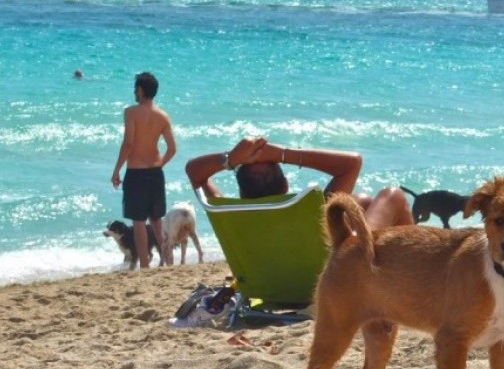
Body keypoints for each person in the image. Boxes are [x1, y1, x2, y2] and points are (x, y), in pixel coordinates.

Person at [184, 137, 412, 230]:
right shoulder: (315, 213)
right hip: (327, 284)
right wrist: (282, 153)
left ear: (242, 191)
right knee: (393, 195)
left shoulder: (229, 214)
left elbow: (194, 171)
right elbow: (352, 163)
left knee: (361, 202)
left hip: (269, 286)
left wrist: (232, 158)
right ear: (285, 185)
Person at [111, 71, 177, 268]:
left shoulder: (131, 112)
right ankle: (168, 260)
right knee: (156, 219)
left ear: (140, 90)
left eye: (136, 87)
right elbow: (172, 149)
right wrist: (159, 164)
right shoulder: (163, 116)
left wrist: (116, 170)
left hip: (136, 172)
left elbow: (129, 143)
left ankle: (145, 266)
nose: (134, 91)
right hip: (156, 173)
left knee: (139, 221)